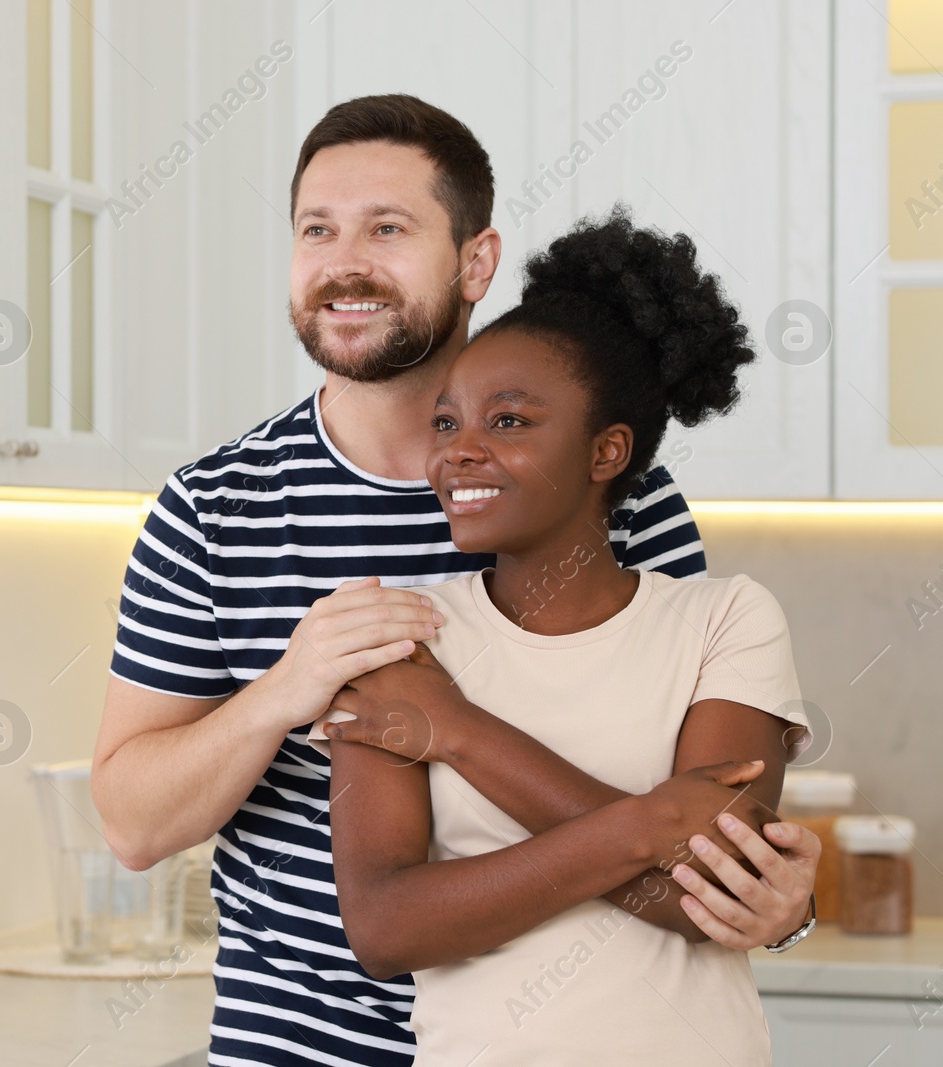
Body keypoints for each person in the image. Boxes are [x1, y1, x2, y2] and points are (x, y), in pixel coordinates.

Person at [92, 94, 820, 1067]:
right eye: (317, 229)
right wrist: (282, 690)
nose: (344, 263)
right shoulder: (215, 506)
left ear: (475, 260)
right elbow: (134, 823)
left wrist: (781, 905)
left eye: (386, 228)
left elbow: (695, 830)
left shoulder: (617, 502)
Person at [314, 207, 805, 1065]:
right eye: (446, 422)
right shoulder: (398, 636)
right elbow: (387, 928)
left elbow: (706, 899)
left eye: (508, 421)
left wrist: (459, 734)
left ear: (606, 450)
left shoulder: (725, 618)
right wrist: (656, 821)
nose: (458, 453)